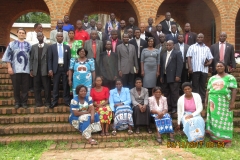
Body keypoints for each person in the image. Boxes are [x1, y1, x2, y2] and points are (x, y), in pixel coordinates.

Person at [206, 62, 237, 146]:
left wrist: (232, 102)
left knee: (226, 120)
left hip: (224, 101)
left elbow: (234, 90)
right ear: (215, 68)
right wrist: (206, 102)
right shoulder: (212, 78)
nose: (219, 67)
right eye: (217, 66)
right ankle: (214, 138)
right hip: (213, 101)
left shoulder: (230, 77)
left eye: (221, 66)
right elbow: (208, 91)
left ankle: (226, 140)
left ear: (225, 67)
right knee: (214, 120)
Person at [2, 28, 31, 109]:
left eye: (23, 33)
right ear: (17, 34)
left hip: (26, 70)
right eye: (20, 33)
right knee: (16, 87)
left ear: (25, 35)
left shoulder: (29, 45)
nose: (21, 34)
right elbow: (8, 57)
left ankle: (24, 102)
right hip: (15, 70)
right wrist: (9, 67)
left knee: (25, 88)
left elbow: (31, 57)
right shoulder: (12, 44)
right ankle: (17, 102)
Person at [187, 33, 213, 102]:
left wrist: (209, 63)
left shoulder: (207, 48)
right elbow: (189, 57)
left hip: (204, 70)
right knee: (195, 85)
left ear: (203, 38)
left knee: (202, 85)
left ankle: (202, 100)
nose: (200, 38)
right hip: (195, 69)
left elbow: (210, 58)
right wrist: (190, 67)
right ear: (196, 38)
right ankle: (195, 100)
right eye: (199, 37)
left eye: (201, 37)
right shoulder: (192, 47)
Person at [48, 32, 71, 108]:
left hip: (64, 68)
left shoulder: (67, 47)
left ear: (63, 38)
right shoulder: (52, 47)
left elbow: (69, 59)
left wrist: (68, 69)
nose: (60, 37)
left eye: (61, 36)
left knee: (66, 85)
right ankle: (54, 101)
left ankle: (67, 101)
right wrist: (50, 69)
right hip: (56, 68)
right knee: (55, 86)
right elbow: (50, 59)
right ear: (56, 38)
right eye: (59, 36)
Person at [160, 40, 183, 113]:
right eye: (167, 45)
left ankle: (174, 107)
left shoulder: (177, 53)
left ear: (173, 45)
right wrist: (161, 76)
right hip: (165, 76)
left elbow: (180, 65)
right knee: (166, 92)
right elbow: (162, 67)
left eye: (169, 45)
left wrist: (178, 75)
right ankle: (168, 106)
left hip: (174, 76)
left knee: (174, 92)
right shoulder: (163, 54)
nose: (168, 46)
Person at [30, 32, 51, 108]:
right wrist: (31, 69)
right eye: (38, 36)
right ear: (37, 37)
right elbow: (31, 59)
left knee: (47, 87)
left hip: (45, 70)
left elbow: (50, 59)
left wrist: (50, 69)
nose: (40, 37)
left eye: (41, 35)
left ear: (43, 36)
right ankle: (38, 102)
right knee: (36, 87)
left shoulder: (48, 47)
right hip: (36, 70)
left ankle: (47, 102)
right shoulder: (33, 47)